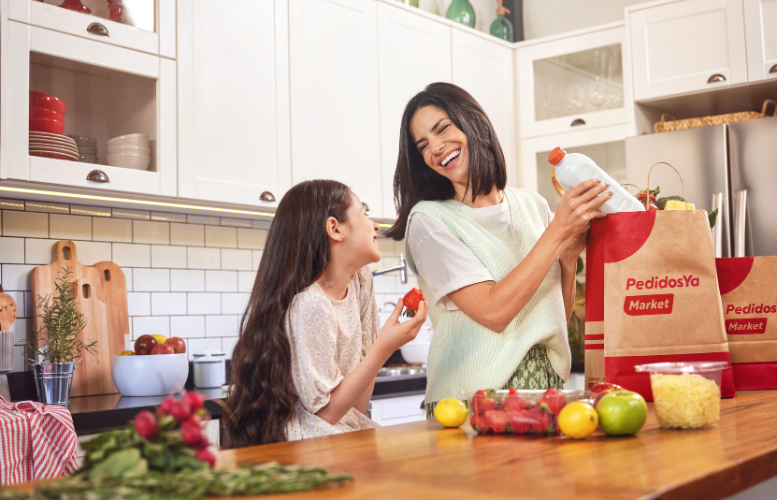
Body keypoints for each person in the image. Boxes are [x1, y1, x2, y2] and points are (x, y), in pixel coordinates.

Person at [384, 83, 611, 417]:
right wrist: (558, 230)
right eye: (423, 145)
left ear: (473, 122)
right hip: (470, 404)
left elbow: (551, 319)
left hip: (545, 392)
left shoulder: (533, 205)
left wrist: (567, 259)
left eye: (442, 128)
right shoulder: (429, 222)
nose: (435, 147)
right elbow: (494, 312)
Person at [223, 180, 428, 447]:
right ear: (334, 228)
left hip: (343, 433)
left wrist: (381, 345)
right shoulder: (310, 304)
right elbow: (325, 415)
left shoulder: (361, 283)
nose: (376, 225)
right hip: (311, 446)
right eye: (364, 212)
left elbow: (355, 407)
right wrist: (385, 347)